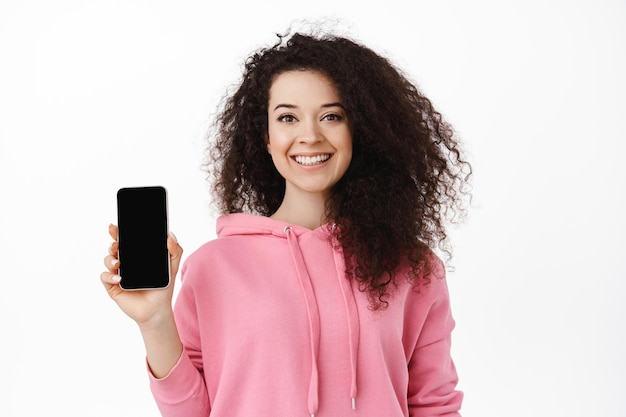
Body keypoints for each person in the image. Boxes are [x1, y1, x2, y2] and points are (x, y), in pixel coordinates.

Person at [101, 30, 471, 417]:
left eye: (331, 116)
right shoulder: (214, 265)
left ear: (360, 129)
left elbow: (434, 406)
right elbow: (192, 412)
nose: (309, 136)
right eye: (287, 117)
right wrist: (156, 319)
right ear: (265, 137)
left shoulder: (413, 266)